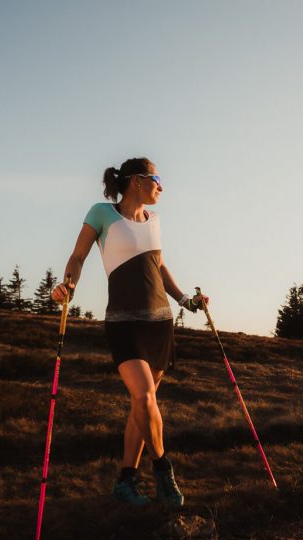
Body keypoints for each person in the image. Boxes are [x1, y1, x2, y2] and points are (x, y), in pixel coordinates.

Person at [51, 156, 206, 507]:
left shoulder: (154, 221)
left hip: (160, 323)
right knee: (144, 398)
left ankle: (125, 482)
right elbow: (77, 256)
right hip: (124, 322)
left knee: (142, 405)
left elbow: (160, 267)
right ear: (137, 180)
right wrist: (68, 286)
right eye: (157, 179)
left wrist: (186, 300)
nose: (161, 187)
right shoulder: (102, 213)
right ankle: (164, 471)